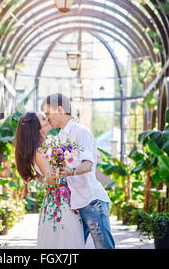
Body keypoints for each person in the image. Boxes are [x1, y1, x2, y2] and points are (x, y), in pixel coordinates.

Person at [41, 93, 116, 249]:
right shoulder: (60, 136)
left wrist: (70, 171)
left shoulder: (80, 131)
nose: (47, 117)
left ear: (60, 110)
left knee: (104, 247)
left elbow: (88, 164)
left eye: (48, 113)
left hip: (91, 201)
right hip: (74, 203)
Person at [14, 112, 85, 249]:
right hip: (61, 203)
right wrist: (61, 164)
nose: (47, 118)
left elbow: (43, 177)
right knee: (66, 242)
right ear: (35, 127)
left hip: (58, 200)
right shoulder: (39, 152)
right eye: (43, 118)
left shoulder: (44, 148)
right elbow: (51, 180)